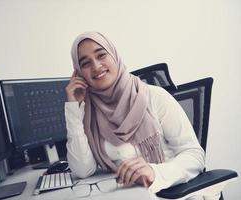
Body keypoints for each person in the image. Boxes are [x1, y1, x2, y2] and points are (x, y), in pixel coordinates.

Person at [64, 32, 205, 197]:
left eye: (101, 55)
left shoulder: (154, 96)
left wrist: (155, 172)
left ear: (114, 55)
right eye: (85, 63)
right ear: (79, 73)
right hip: (126, 194)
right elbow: (83, 170)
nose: (96, 66)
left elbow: (195, 155)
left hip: (171, 192)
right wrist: (74, 107)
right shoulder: (88, 114)